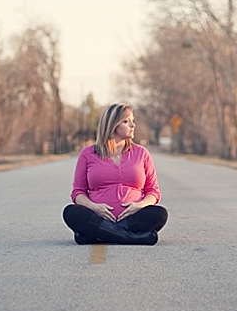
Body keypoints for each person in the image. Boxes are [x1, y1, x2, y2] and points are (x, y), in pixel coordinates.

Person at [63, 103, 168, 245]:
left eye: (133, 120)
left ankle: (96, 235)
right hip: (98, 217)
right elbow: (78, 193)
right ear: (112, 125)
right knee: (70, 212)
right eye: (126, 121)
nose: (132, 125)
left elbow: (153, 192)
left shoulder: (141, 153)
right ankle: (131, 238)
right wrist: (94, 207)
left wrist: (140, 205)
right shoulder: (88, 154)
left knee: (159, 214)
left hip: (133, 218)